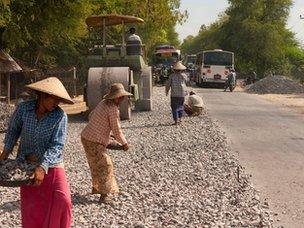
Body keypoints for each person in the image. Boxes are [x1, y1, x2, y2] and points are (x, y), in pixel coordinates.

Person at [0, 77, 74, 228]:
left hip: (52, 165)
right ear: (42, 95)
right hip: (25, 165)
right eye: (54, 99)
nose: (57, 103)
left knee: (63, 200)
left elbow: (57, 145)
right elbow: (13, 131)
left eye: (59, 100)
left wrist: (42, 166)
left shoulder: (60, 116)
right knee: (33, 209)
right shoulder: (23, 109)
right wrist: (4, 155)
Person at [81, 83, 131, 204]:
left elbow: (92, 115)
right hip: (94, 141)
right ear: (116, 97)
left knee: (96, 165)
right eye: (121, 97)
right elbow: (117, 130)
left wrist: (103, 131)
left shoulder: (102, 103)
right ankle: (104, 196)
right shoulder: (113, 109)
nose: (123, 99)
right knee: (106, 165)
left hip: (86, 137)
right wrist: (124, 143)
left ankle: (98, 188)